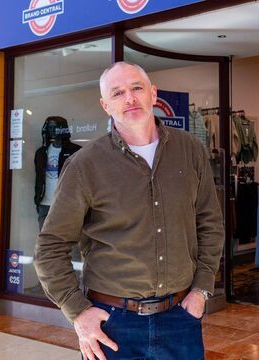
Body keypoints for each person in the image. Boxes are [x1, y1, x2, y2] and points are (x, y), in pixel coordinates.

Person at [34, 61, 224, 360]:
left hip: (181, 318)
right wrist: (78, 311)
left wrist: (201, 290)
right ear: (105, 105)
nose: (130, 98)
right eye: (118, 92)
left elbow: (210, 224)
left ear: (153, 93)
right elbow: (50, 246)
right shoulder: (86, 165)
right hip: (112, 324)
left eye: (137, 88)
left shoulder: (190, 150)